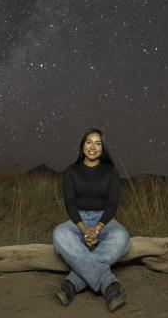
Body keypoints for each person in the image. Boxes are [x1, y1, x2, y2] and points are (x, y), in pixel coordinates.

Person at [52, 128, 131, 313]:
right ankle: (108, 284)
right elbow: (70, 204)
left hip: (104, 219)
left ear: (102, 149)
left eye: (98, 143)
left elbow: (112, 204)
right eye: (89, 142)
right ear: (82, 146)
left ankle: (73, 283)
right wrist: (84, 228)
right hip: (77, 219)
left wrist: (96, 229)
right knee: (59, 233)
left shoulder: (111, 172)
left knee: (122, 236)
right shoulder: (71, 171)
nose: (92, 147)